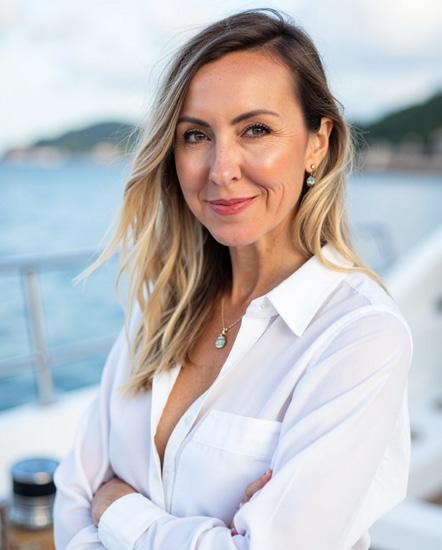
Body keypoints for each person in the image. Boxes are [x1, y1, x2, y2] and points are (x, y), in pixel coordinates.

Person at [53, 8, 413, 550]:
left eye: (256, 130)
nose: (221, 170)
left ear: (318, 143)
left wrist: (120, 510)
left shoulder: (360, 337)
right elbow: (74, 497)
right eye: (196, 135)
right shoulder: (162, 304)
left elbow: (100, 503)